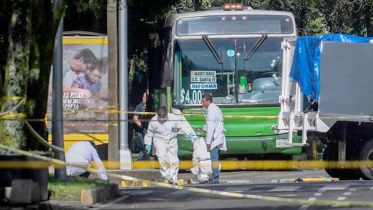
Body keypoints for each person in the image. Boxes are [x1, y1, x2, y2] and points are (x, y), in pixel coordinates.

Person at [144, 106, 195, 184]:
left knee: (174, 159)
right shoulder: (154, 121)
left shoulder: (173, 118)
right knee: (162, 156)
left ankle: (173, 177)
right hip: (159, 140)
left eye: (163, 117)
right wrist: (148, 144)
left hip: (172, 139)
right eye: (160, 117)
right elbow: (150, 133)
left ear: (166, 114)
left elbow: (182, 126)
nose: (162, 119)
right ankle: (165, 174)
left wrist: (189, 134)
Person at [202, 93, 227, 184]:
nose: (202, 103)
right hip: (216, 137)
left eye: (203, 101)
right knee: (215, 157)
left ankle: (215, 177)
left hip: (214, 138)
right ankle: (215, 176)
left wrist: (208, 141)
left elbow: (211, 127)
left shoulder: (211, 111)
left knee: (214, 158)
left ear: (208, 101)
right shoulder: (214, 109)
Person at [133, 91, 148, 161]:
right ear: (143, 98)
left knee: (145, 146)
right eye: (146, 97)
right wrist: (141, 126)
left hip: (147, 130)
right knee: (144, 146)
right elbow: (135, 118)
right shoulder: (139, 107)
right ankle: (140, 160)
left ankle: (140, 160)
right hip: (141, 131)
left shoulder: (148, 106)